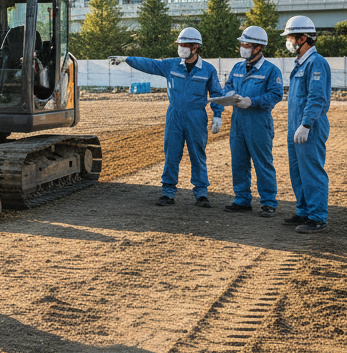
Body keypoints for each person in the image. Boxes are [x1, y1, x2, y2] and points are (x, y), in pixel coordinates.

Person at [109, 27, 224, 208]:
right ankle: (168, 192)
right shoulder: (171, 65)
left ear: (195, 47)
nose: (181, 48)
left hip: (196, 116)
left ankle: (201, 194)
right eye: (180, 45)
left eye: (185, 45)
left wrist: (217, 114)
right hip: (174, 115)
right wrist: (127, 59)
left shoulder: (208, 70)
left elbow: (216, 93)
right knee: (172, 153)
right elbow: (150, 64)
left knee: (198, 154)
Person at [220, 26, 284, 217]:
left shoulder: (271, 70)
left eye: (246, 45)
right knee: (238, 161)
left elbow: (275, 95)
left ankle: (268, 202)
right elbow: (229, 86)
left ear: (258, 47)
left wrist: (252, 102)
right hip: (238, 121)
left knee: (262, 162)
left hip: (258, 121)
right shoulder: (237, 68)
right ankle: (242, 200)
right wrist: (229, 95)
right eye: (242, 44)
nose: (242, 48)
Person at [281, 15, 331, 234]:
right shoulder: (300, 63)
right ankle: (304, 211)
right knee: (298, 172)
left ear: (303, 38)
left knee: (311, 171)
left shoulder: (316, 62)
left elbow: (317, 97)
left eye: (290, 37)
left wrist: (307, 124)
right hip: (297, 127)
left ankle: (317, 217)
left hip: (309, 127)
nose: (288, 41)